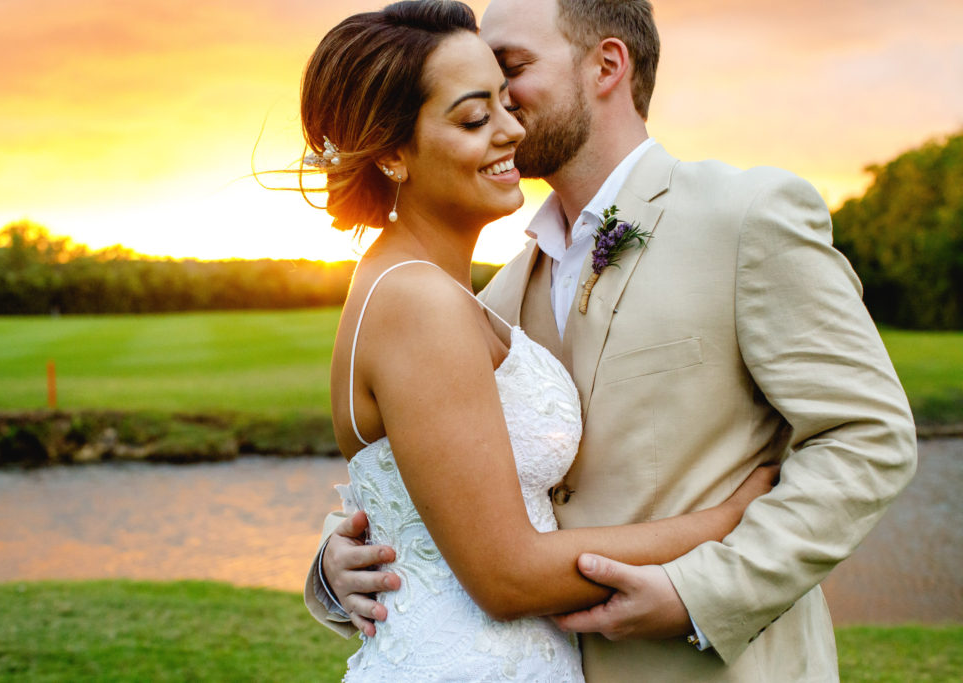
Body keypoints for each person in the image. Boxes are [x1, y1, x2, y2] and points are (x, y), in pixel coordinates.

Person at [307, 0, 919, 681]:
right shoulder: (489, 297)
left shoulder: (748, 219)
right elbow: (456, 496)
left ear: (606, 65)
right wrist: (337, 565)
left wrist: (705, 590)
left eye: (510, 71)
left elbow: (868, 437)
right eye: (481, 100)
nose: (503, 104)